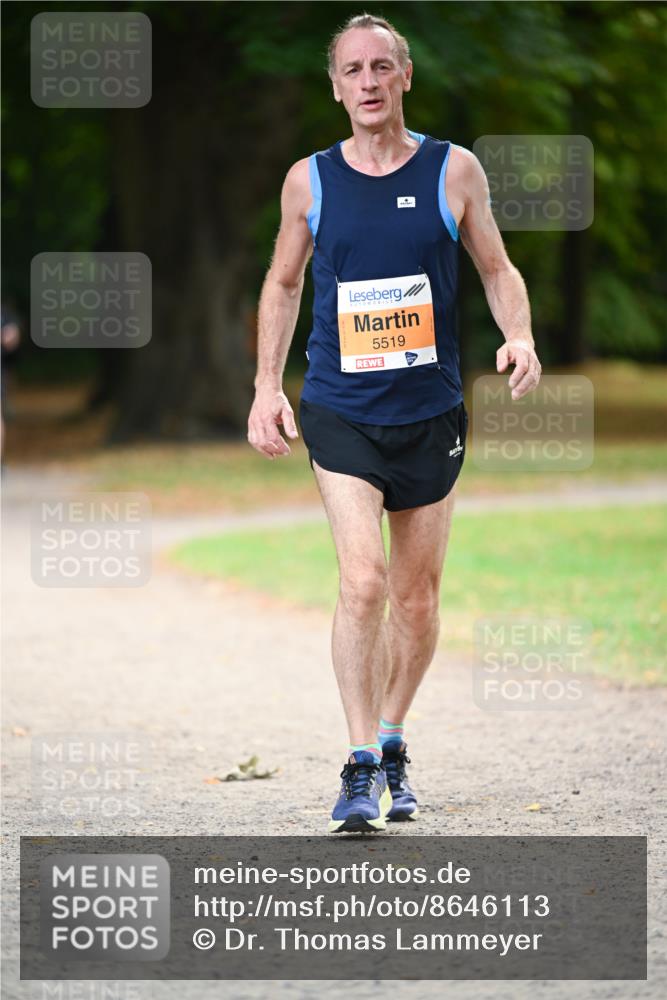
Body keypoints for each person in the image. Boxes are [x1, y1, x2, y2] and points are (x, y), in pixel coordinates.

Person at [247, 13, 542, 833]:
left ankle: (392, 735)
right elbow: (281, 284)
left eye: (382, 66)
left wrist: (516, 334)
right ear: (335, 85)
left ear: (404, 77)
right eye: (352, 69)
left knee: (414, 600)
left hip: (431, 413)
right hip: (340, 411)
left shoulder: (455, 171)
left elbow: (496, 267)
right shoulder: (308, 181)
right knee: (363, 583)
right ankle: (357, 766)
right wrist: (267, 386)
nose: (368, 82)